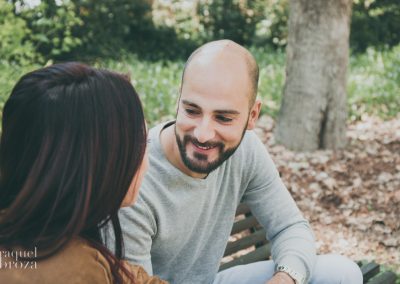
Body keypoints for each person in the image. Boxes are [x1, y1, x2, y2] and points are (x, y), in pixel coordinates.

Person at [110, 40, 363, 284]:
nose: (203, 134)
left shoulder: (246, 150)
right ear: (179, 99)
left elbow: (290, 227)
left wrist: (285, 278)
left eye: (223, 118)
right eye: (192, 111)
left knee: (343, 273)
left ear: (252, 115)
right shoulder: (133, 182)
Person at [0, 63, 167, 284]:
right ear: (101, 161)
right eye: (142, 143)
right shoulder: (74, 269)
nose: (147, 162)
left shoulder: (41, 236)